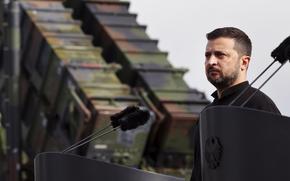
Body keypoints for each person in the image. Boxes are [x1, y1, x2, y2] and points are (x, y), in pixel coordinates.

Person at [190, 27, 281, 181]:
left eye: (220, 55)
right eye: (207, 55)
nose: (211, 61)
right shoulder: (208, 112)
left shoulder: (259, 106)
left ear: (244, 62)